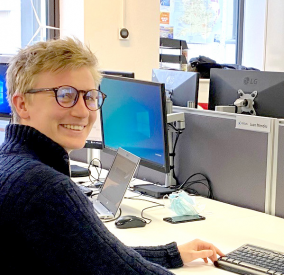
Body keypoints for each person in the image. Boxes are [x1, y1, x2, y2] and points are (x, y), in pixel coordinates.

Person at [0, 37, 224, 274]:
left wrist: (170, 255)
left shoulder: (12, 165)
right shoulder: (45, 189)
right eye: (64, 95)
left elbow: (90, 253)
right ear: (22, 104)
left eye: (89, 97)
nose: (82, 111)